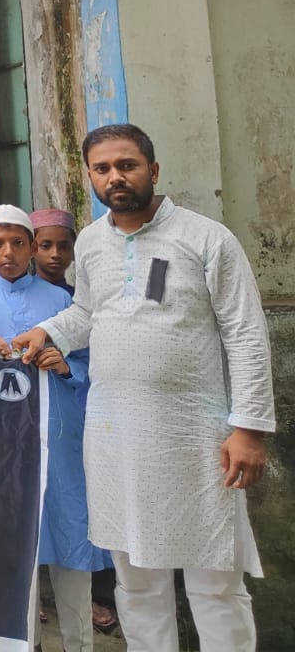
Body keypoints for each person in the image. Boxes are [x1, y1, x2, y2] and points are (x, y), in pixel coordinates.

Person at [14, 124, 275, 652]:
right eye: (102, 169)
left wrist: (248, 428)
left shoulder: (207, 239)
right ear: (91, 177)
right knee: (136, 582)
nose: (115, 177)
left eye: (127, 165)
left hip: (196, 438)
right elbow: (88, 312)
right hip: (114, 437)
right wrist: (49, 331)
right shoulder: (91, 242)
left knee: (215, 581)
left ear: (152, 170)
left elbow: (246, 333)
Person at [0, 204, 106, 652]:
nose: (8, 253)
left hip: (60, 432)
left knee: (69, 534)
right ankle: (26, 644)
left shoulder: (64, 303)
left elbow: (93, 362)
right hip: (0, 441)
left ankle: (79, 643)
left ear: (32, 247)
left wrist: (65, 365)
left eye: (18, 243)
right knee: (14, 548)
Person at [31, 207, 77, 293]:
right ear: (32, 249)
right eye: (45, 246)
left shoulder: (79, 298)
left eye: (64, 247)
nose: (55, 254)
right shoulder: (18, 296)